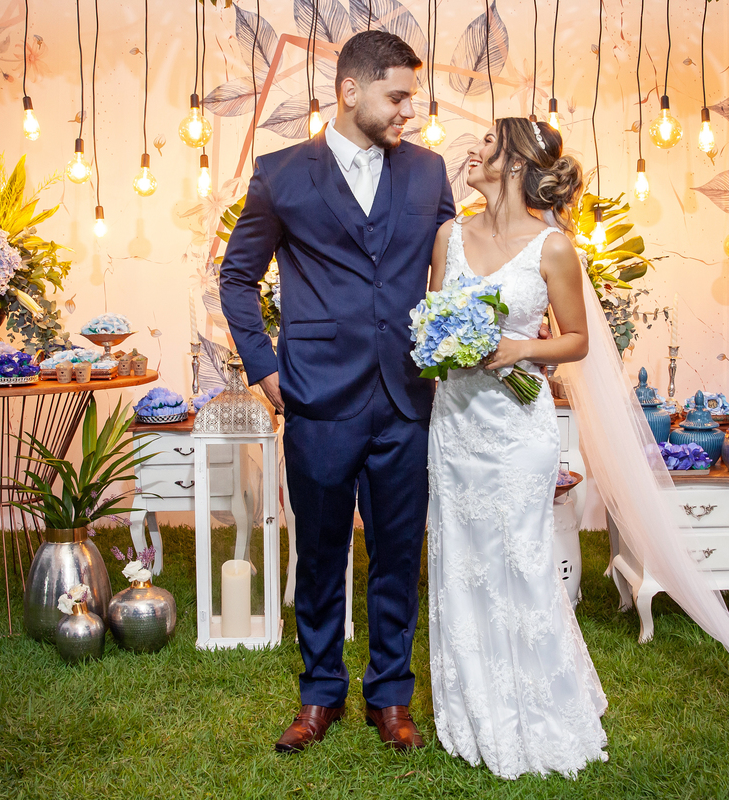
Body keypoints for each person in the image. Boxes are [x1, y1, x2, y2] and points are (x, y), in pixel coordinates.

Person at [218, 30, 454, 753]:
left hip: (408, 398)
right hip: (317, 398)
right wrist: (263, 368)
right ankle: (320, 692)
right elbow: (236, 277)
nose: (407, 111)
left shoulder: (428, 172)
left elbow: (455, 271)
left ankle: (390, 695)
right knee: (319, 553)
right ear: (350, 91)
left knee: (396, 552)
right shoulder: (281, 175)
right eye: (397, 96)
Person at [424, 118, 609, 779]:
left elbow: (577, 339)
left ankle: (540, 707)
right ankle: (473, 705)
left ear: (511, 166)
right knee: (461, 563)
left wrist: (519, 348)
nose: (471, 154)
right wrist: (438, 346)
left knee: (522, 563)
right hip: (454, 425)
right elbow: (429, 321)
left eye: (486, 147)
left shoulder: (554, 248)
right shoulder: (448, 237)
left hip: (517, 430)